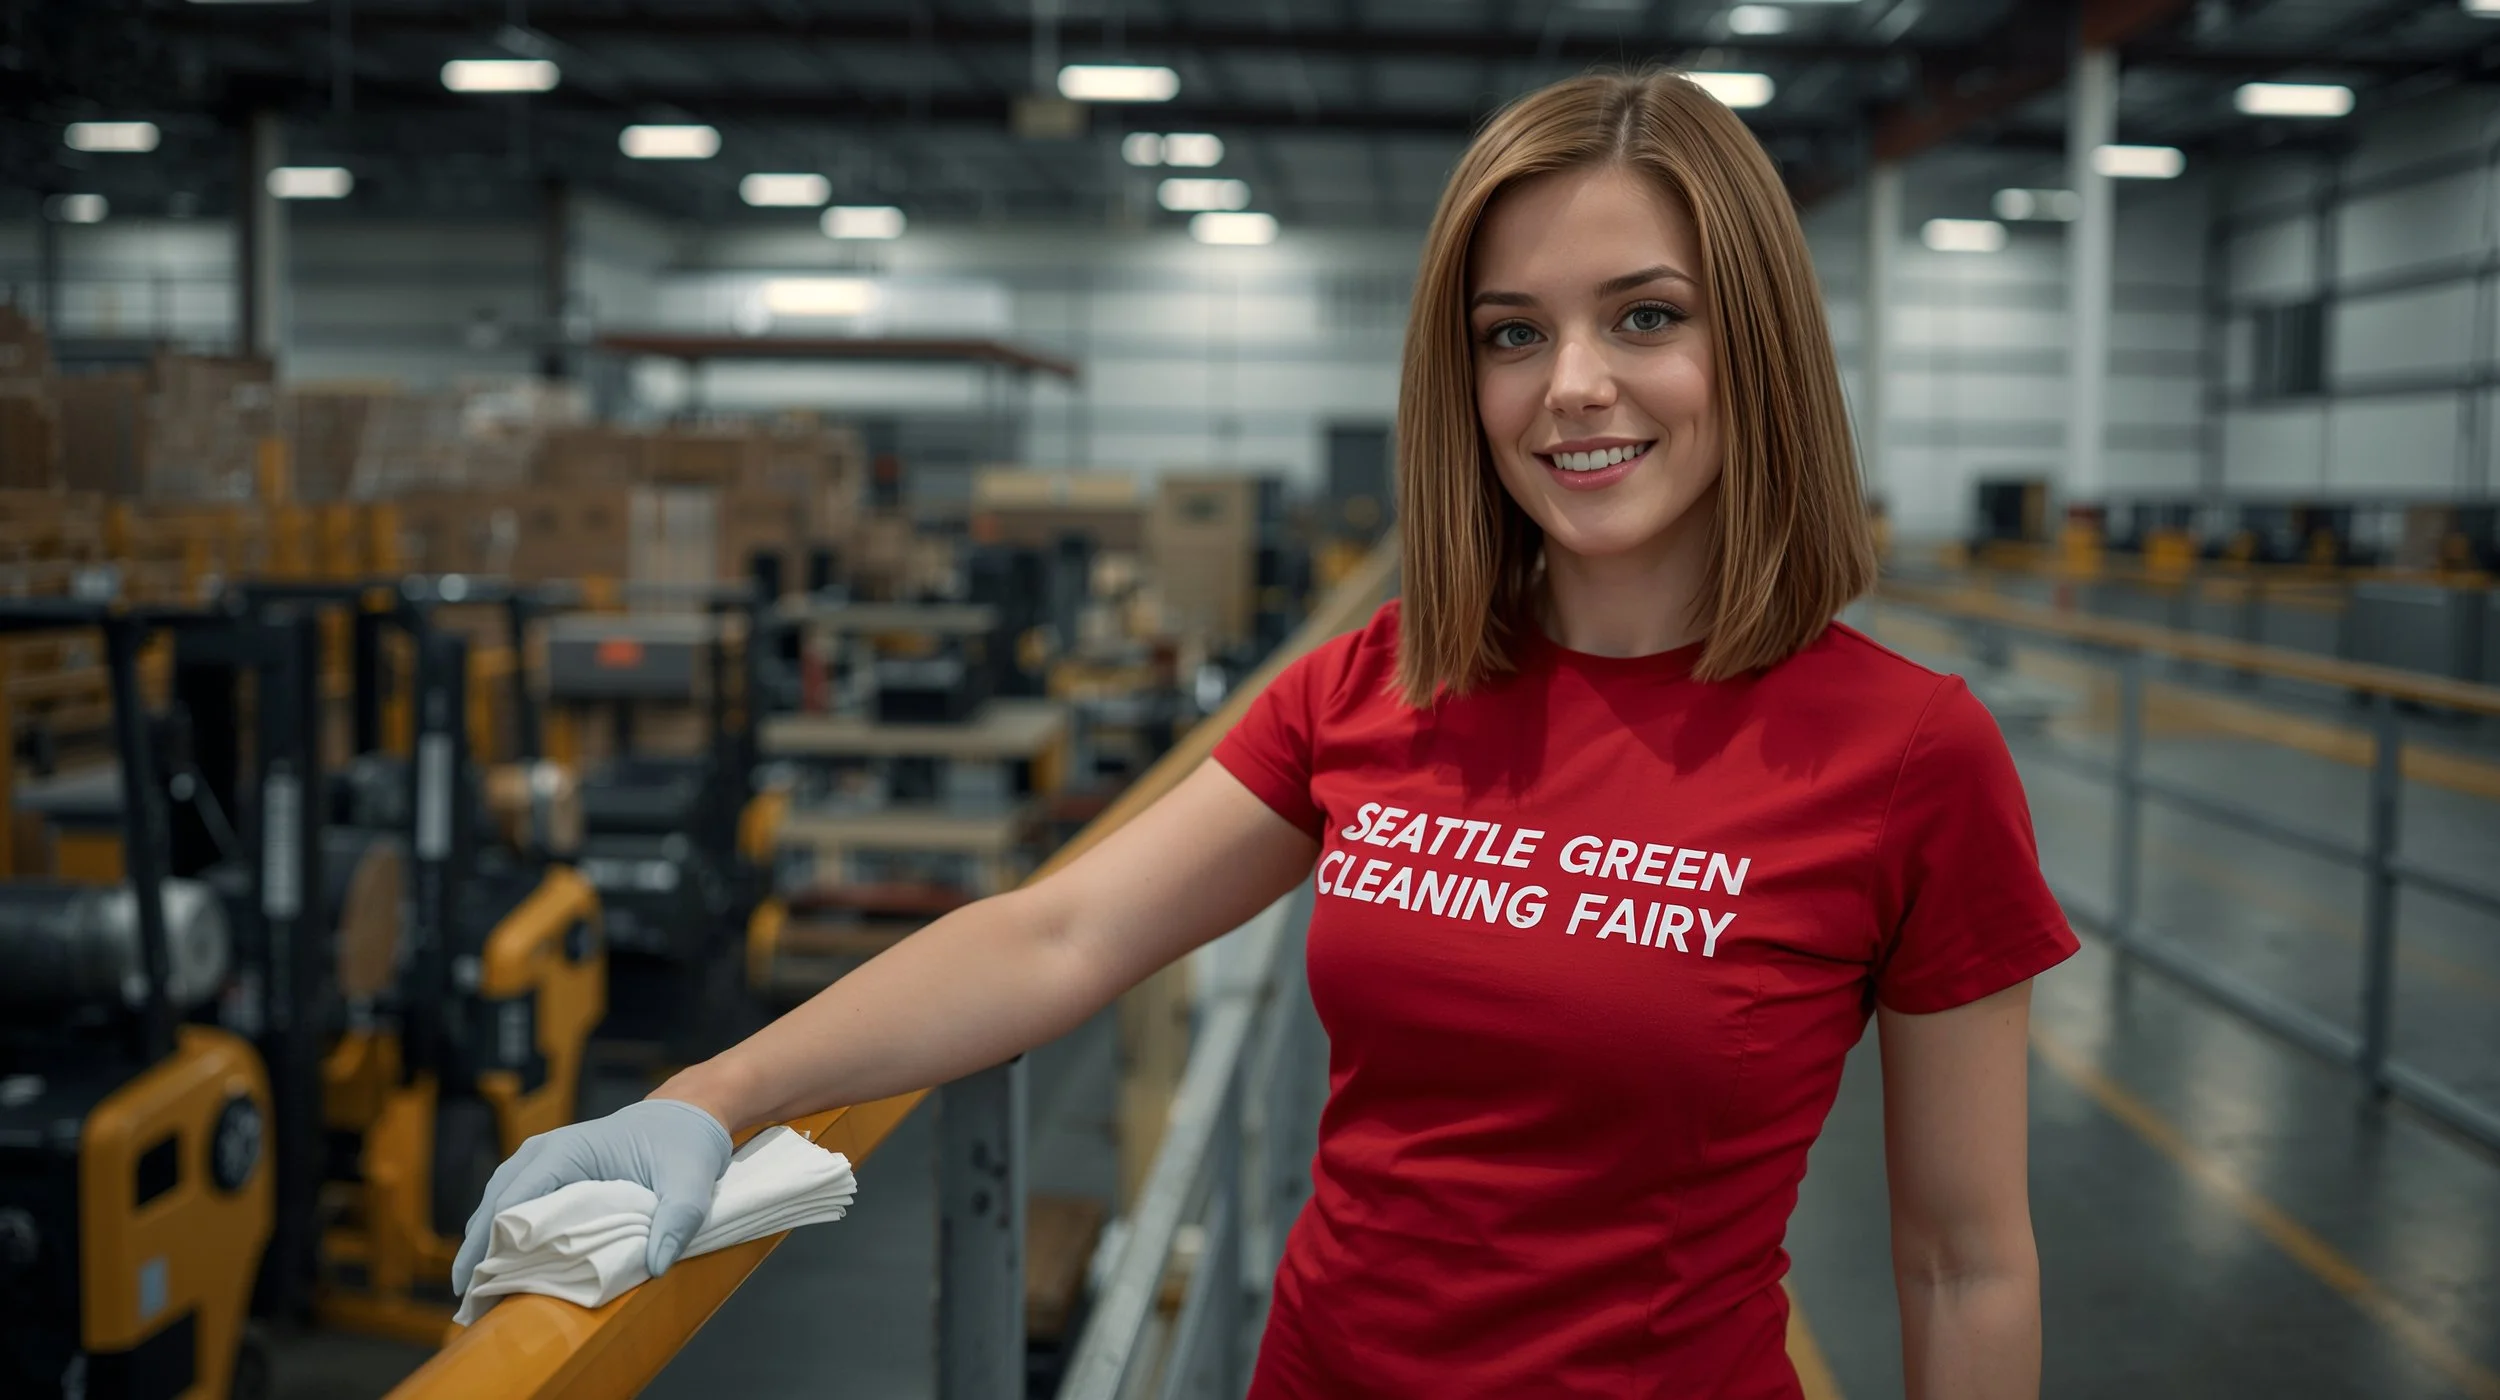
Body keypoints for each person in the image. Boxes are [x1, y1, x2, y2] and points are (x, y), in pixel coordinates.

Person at [457, 69, 2077, 1399]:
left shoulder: (1905, 756)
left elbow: (1963, 1259)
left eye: (1646, 317)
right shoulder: (1381, 682)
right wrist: (714, 1091)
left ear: (1760, 348)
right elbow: (1063, 932)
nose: (1573, 384)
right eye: (1512, 332)